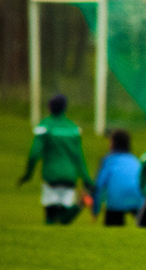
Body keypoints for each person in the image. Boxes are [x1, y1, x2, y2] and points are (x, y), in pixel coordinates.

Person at [18, 93, 94, 225]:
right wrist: (86, 178)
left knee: (51, 216)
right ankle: (80, 204)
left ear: (49, 107)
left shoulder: (45, 126)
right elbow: (79, 157)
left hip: (51, 176)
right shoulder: (73, 129)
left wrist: (28, 174)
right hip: (69, 177)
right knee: (63, 219)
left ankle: (79, 205)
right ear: (65, 108)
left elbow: (34, 154)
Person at [92, 128, 145, 226]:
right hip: (137, 199)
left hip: (117, 200)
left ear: (114, 143)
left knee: (113, 228)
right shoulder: (135, 160)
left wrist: (95, 210)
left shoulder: (108, 160)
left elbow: (99, 185)